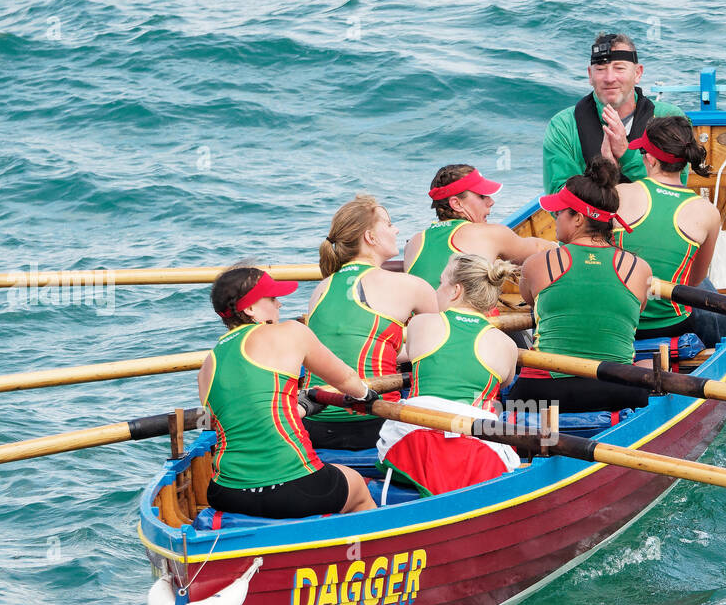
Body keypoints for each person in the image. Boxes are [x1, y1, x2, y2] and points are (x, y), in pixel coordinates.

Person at [198, 266, 376, 519]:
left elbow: (251, 417)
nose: (279, 305)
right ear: (249, 309)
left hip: (227, 493)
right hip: (296, 488)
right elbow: (348, 380)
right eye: (271, 299)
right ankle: (358, 550)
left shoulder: (207, 367)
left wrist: (302, 407)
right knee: (357, 486)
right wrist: (366, 396)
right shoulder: (291, 332)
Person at [513, 158, 652, 413]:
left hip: (542, 394)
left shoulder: (536, 264)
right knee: (647, 369)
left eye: (558, 213)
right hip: (617, 391)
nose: (554, 219)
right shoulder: (640, 268)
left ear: (577, 218)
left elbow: (533, 302)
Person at [302, 195, 439, 450]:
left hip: (317, 424)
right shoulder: (411, 286)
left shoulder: (321, 289)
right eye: (388, 224)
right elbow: (437, 351)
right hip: (376, 423)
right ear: (370, 237)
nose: (396, 229)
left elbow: (351, 346)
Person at [377, 254, 522, 495]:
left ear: (455, 290)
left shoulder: (420, 324)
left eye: (441, 282)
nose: (437, 289)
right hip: (478, 451)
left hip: (411, 442)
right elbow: (505, 382)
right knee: (499, 405)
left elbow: (409, 354)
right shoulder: (506, 345)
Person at [613, 115, 726, 347]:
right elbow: (694, 280)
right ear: (686, 161)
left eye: (643, 152)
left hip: (620, 323)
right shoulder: (708, 213)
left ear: (651, 159)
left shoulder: (619, 193)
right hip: (672, 325)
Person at [541, 32, 686, 195]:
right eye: (601, 69)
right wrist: (605, 176)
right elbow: (560, 199)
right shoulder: (563, 126)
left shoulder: (669, 118)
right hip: (592, 220)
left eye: (619, 68)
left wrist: (627, 155)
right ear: (590, 75)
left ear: (638, 73)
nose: (609, 78)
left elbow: (675, 189)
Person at [404, 164, 551, 289]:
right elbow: (541, 250)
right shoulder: (490, 234)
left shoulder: (414, 242)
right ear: (456, 204)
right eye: (482, 196)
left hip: (422, 322)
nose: (491, 201)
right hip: (468, 322)